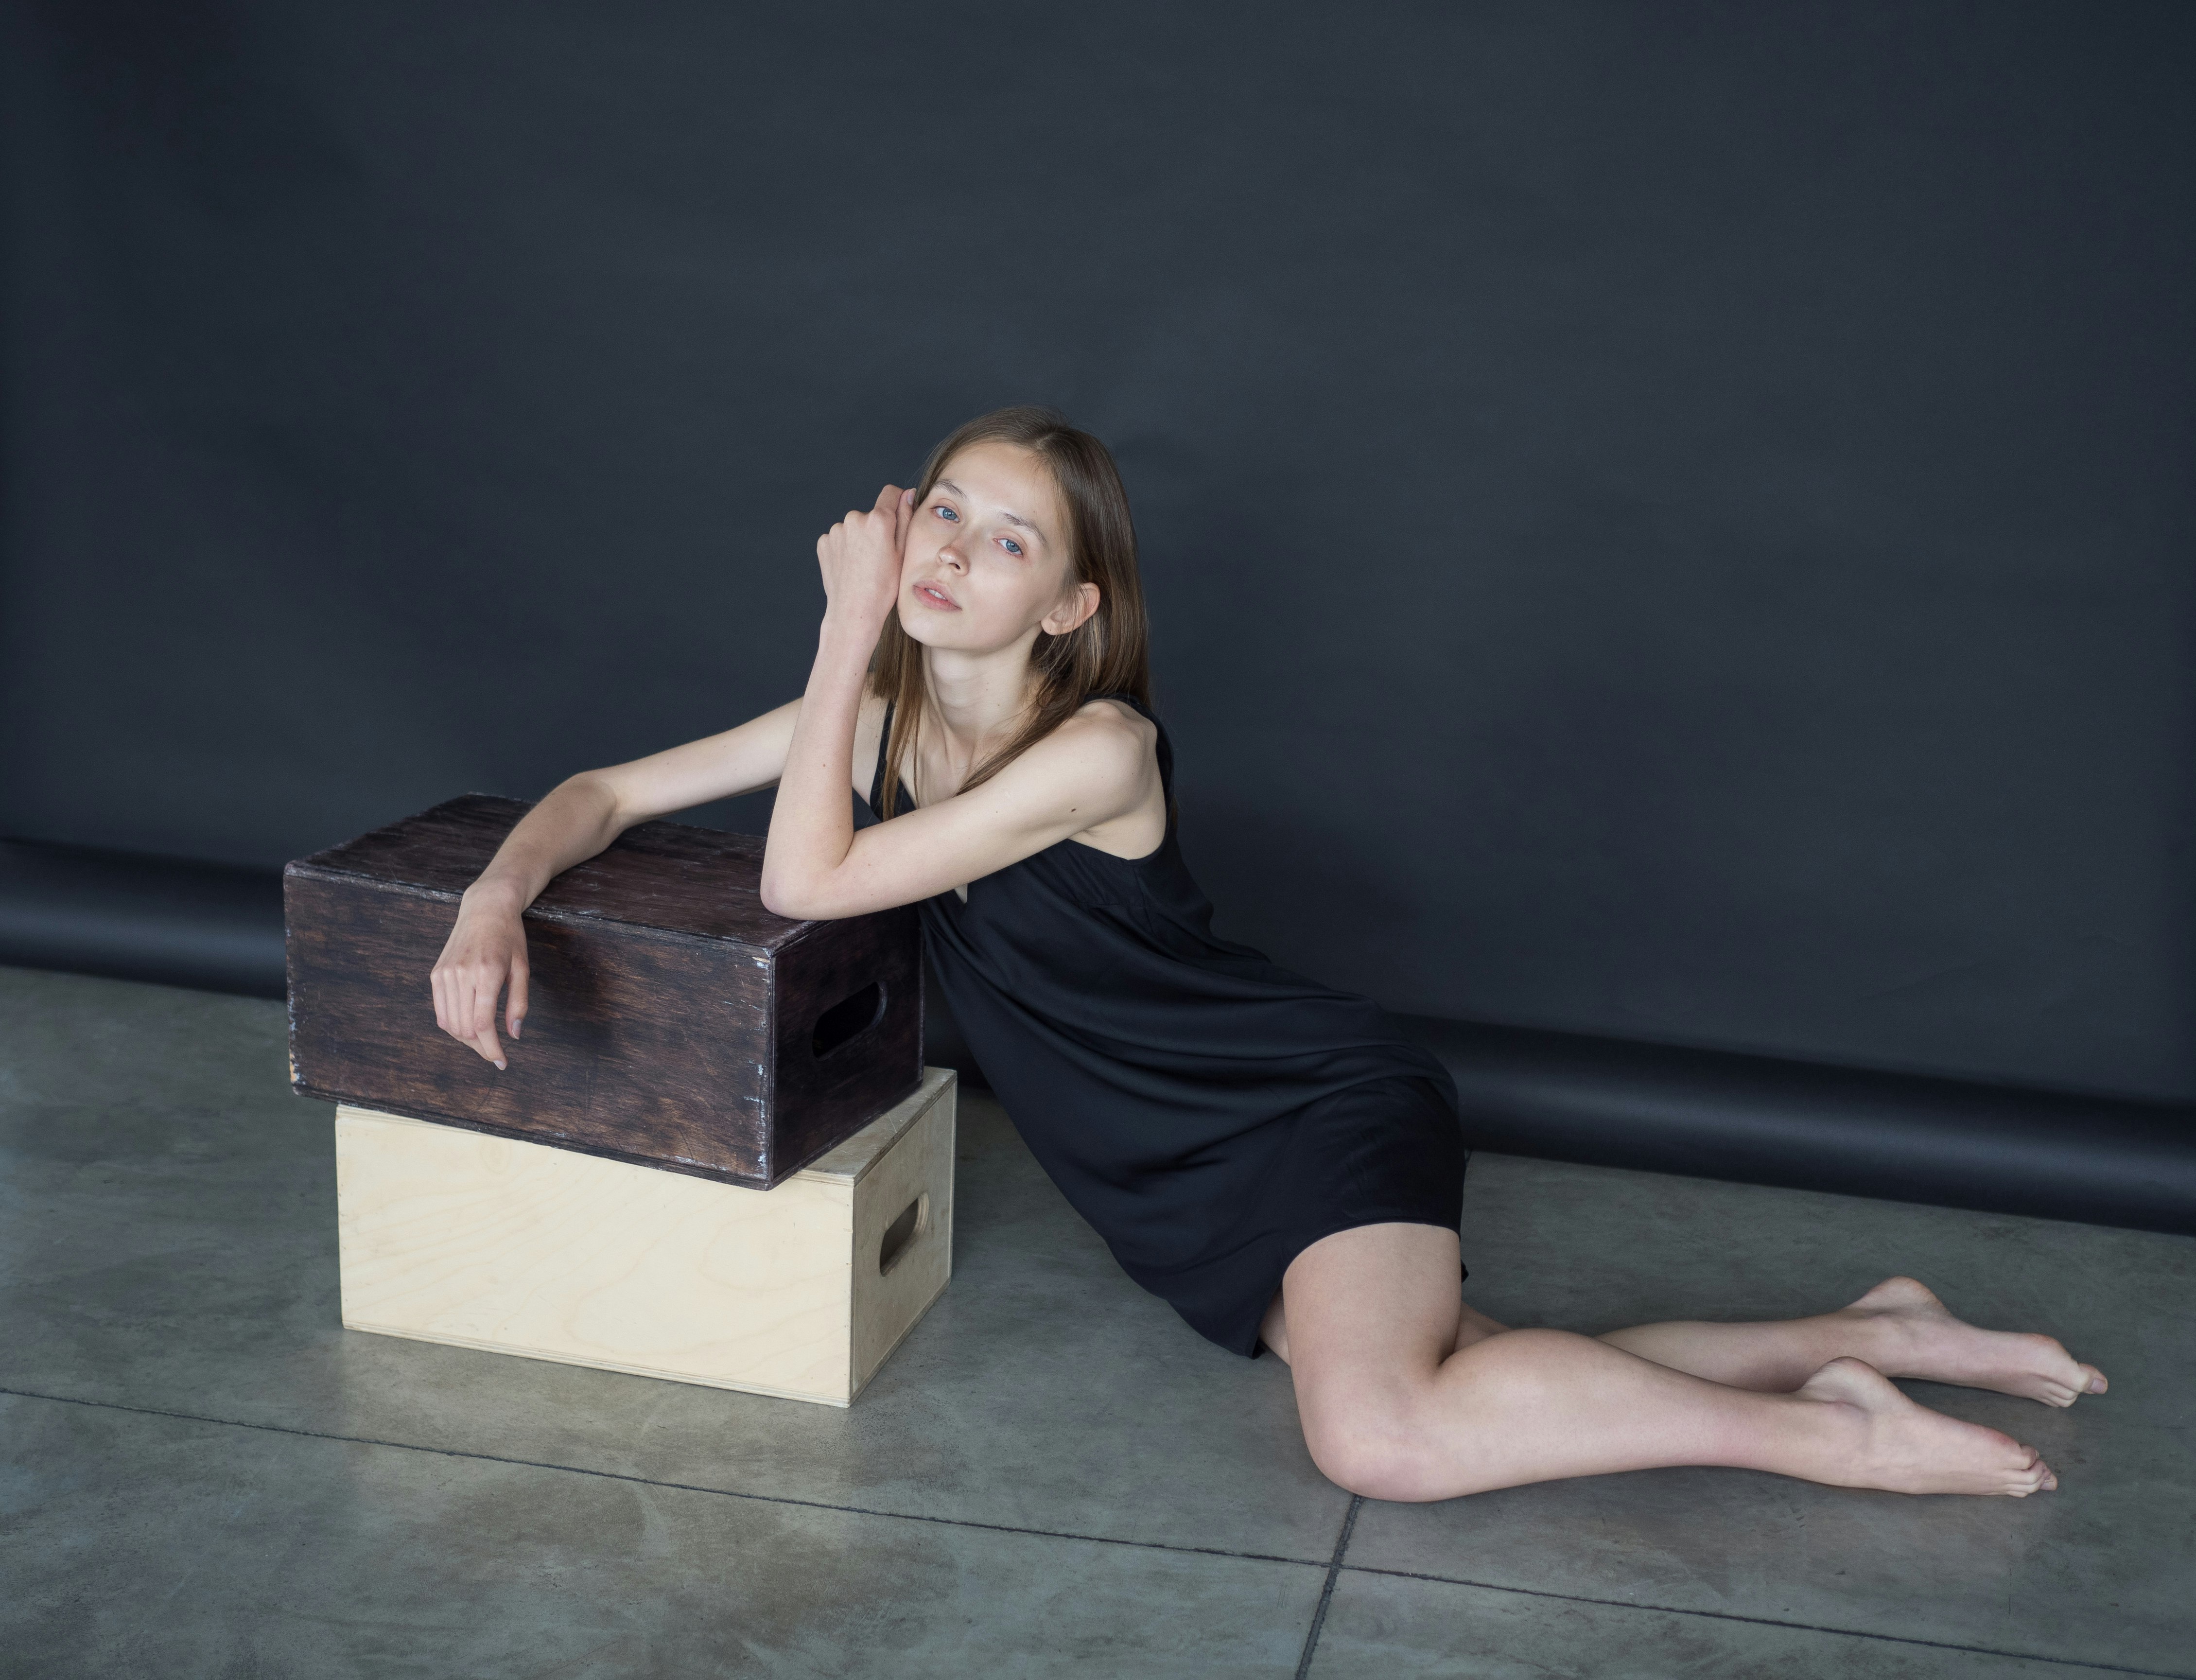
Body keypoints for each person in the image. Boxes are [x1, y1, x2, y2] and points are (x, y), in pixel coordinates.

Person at [430, 404, 2106, 1502]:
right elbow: (597, 792)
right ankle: (1878, 1333)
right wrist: (497, 897)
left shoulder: (1099, 751)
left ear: (1074, 606)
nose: (948, 549)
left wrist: (841, 623)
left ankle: (1836, 1440)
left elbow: (809, 879)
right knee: (1471, 1376)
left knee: (1382, 1433)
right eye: (943, 509)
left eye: (1007, 539)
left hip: (1304, 1103)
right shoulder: (859, 722)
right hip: (1166, 1166)